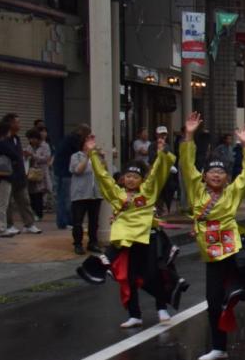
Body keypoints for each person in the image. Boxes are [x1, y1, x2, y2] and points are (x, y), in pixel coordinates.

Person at [179, 112, 245, 360]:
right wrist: (189, 135)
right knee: (214, 300)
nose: (216, 175)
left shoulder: (232, 193)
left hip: (231, 245)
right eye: (211, 172)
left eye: (221, 173)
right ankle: (219, 346)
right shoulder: (197, 191)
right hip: (211, 251)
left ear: (227, 177)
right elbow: (186, 165)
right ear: (204, 176)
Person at [83, 131, 178, 327]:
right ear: (122, 179)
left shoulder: (148, 192)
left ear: (141, 180)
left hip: (147, 238)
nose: (131, 180)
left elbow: (158, 173)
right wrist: (92, 154)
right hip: (126, 241)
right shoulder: (118, 195)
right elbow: (103, 178)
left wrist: (162, 153)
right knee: (130, 278)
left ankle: (161, 308)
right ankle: (134, 314)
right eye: (128, 176)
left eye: (135, 176)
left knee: (155, 273)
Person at [0, 114, 39, 236]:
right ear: (10, 124)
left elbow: (18, 156)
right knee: (6, 203)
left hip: (19, 175)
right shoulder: (3, 140)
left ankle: (29, 224)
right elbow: (13, 155)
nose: (19, 125)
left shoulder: (16, 138)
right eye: (17, 122)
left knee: (24, 200)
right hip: (7, 175)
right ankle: (8, 225)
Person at [68, 126, 101, 254]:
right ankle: (77, 244)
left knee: (94, 221)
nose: (91, 145)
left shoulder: (97, 156)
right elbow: (77, 170)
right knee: (78, 221)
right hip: (80, 194)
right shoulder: (76, 156)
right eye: (89, 142)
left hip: (95, 193)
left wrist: (101, 158)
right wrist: (87, 156)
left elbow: (105, 172)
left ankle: (93, 242)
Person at [53, 125, 85, 229]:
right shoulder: (74, 140)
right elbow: (79, 152)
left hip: (60, 171)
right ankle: (65, 222)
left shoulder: (67, 139)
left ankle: (66, 221)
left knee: (63, 198)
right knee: (66, 198)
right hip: (65, 172)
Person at [25, 128, 51, 220]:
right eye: (29, 139)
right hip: (31, 172)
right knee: (31, 193)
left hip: (41, 172)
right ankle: (33, 213)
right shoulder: (29, 146)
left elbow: (46, 158)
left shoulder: (45, 146)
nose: (31, 140)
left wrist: (33, 156)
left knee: (39, 194)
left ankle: (39, 214)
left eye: (32, 138)